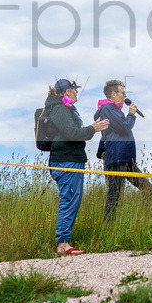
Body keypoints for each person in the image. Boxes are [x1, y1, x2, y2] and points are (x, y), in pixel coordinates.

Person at [44, 78, 109, 255]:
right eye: (74, 89)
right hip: (66, 161)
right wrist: (92, 129)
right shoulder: (60, 109)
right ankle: (62, 244)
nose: (77, 92)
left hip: (72, 159)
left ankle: (64, 241)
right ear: (67, 92)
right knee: (69, 199)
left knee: (73, 200)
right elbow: (72, 133)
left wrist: (91, 129)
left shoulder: (65, 108)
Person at [95, 80, 152, 222]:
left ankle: (144, 220)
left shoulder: (114, 110)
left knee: (148, 189)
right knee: (114, 196)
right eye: (123, 93)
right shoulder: (107, 109)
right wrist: (131, 114)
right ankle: (107, 228)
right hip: (116, 158)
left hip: (127, 159)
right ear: (113, 94)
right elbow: (124, 128)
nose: (125, 95)